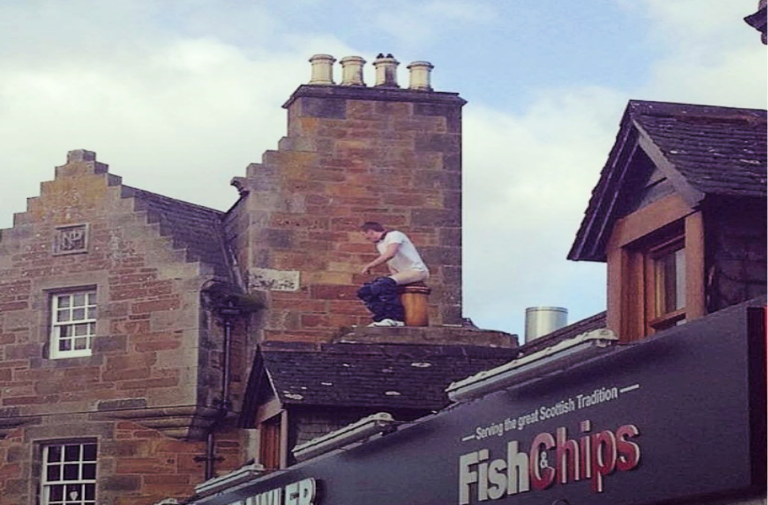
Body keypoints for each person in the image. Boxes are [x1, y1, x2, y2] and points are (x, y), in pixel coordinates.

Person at [357, 222, 429, 327]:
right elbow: (391, 263)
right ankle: (382, 318)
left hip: (417, 271)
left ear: (371, 232)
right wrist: (393, 280)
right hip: (403, 274)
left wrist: (370, 265)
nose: (367, 239)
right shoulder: (380, 245)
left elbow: (390, 254)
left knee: (384, 284)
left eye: (366, 236)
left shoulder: (394, 235)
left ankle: (395, 318)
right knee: (366, 290)